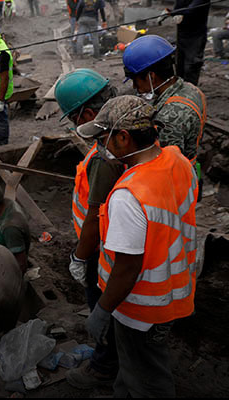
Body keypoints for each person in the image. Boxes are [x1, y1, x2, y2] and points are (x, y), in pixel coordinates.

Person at [76, 95, 198, 397]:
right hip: (170, 291)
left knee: (148, 379)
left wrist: (102, 310)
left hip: (139, 308)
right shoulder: (178, 161)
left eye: (104, 138)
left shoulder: (129, 196)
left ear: (123, 137)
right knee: (134, 370)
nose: (101, 147)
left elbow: (127, 267)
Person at [56, 68, 123, 389]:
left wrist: (81, 257)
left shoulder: (105, 158)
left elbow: (95, 214)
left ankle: (104, 366)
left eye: (73, 119)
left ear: (88, 114)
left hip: (103, 250)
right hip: (120, 243)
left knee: (102, 309)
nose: (74, 126)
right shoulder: (129, 134)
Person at [122, 35, 207, 172]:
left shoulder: (168, 118)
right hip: (191, 168)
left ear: (151, 76)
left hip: (179, 182)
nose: (134, 86)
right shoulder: (191, 89)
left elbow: (166, 167)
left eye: (135, 80)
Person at [167, 0, 212, 85]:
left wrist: (172, 13)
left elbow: (191, 10)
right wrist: (171, 12)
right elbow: (177, 8)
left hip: (196, 37)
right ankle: (180, 90)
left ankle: (191, 92)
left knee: (191, 66)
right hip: (182, 35)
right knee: (179, 66)